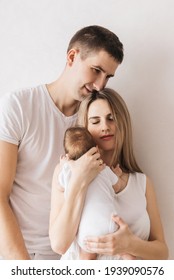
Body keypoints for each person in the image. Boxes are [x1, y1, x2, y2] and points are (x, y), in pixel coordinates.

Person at [0, 25, 124, 260]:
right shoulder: (18, 106)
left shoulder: (95, 120)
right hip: (25, 255)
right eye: (96, 70)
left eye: (107, 76)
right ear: (72, 57)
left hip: (76, 256)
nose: (100, 85)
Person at [49, 88, 168, 260]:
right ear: (85, 127)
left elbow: (162, 253)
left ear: (122, 122)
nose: (105, 127)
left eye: (111, 119)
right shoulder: (66, 172)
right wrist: (79, 180)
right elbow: (59, 245)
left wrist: (130, 245)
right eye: (95, 121)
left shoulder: (142, 183)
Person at [58, 126, 135, 260]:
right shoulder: (103, 169)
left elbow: (61, 185)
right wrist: (117, 175)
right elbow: (118, 187)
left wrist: (66, 164)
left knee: (87, 255)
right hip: (110, 223)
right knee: (123, 251)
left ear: (68, 155)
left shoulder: (67, 172)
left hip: (88, 232)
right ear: (97, 149)